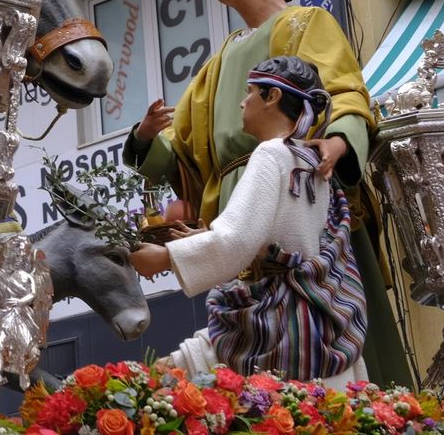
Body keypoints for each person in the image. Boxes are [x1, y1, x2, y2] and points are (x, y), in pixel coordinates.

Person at [123, 0, 411, 386]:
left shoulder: (305, 23)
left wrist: (337, 141)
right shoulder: (217, 65)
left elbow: (346, 94)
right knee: (252, 356)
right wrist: (144, 139)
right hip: (237, 216)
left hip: (301, 205)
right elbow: (180, 155)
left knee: (310, 344)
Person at [131, 56, 367, 385]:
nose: (242, 101)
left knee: (162, 381)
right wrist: (204, 237)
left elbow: (237, 241)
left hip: (274, 322)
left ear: (272, 97)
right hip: (317, 316)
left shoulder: (270, 154)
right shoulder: (312, 161)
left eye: (250, 91)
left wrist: (164, 258)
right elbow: (288, 240)